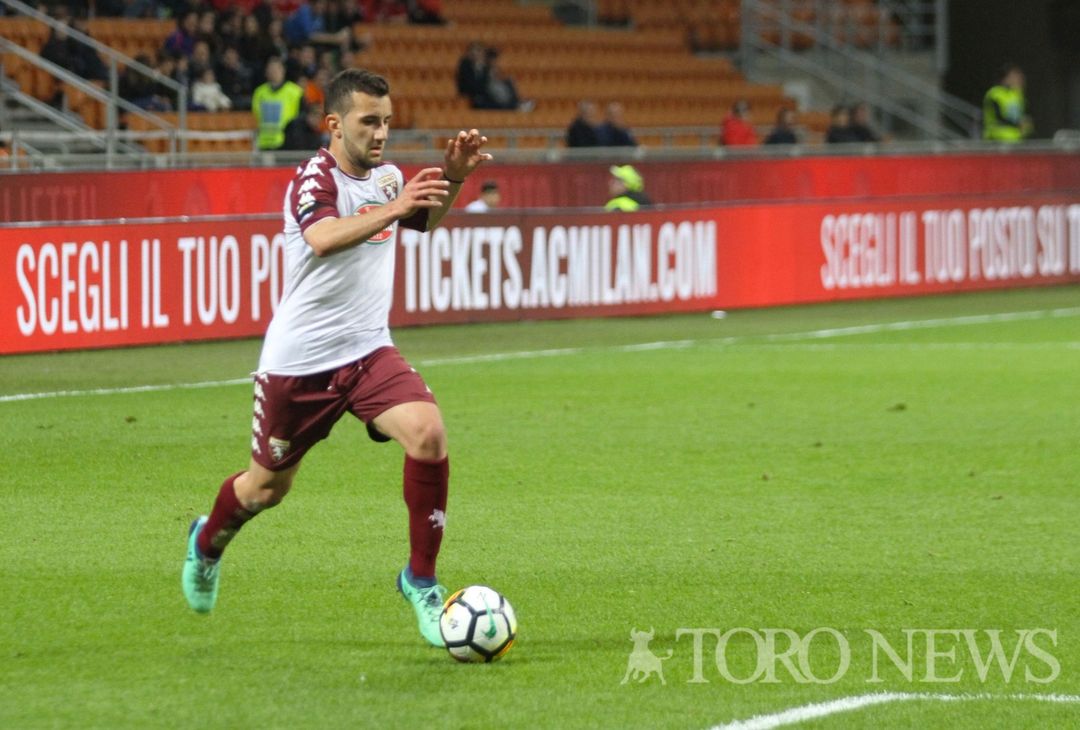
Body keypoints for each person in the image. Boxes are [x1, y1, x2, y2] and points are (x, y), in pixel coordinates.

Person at [181, 68, 493, 649]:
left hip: (369, 349)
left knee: (428, 434)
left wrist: (450, 179)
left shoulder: (390, 179)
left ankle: (419, 580)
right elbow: (323, 237)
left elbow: (423, 220)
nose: (381, 134)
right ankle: (207, 543)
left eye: (388, 122)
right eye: (368, 122)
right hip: (301, 364)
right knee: (265, 490)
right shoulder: (312, 179)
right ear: (334, 124)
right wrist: (397, 205)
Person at [252, 56, 305, 150]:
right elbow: (255, 116)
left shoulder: (295, 92)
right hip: (265, 142)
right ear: (266, 72)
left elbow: (302, 116)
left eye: (276, 69)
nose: (273, 72)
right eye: (271, 69)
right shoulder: (259, 92)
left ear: (283, 70)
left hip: (288, 142)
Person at [983, 64, 1032, 142]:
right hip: (997, 139)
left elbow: (1022, 115)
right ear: (1005, 78)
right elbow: (999, 117)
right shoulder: (994, 93)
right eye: (1013, 76)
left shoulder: (1017, 94)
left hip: (1015, 139)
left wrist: (1026, 124)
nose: (1017, 79)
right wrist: (1018, 124)